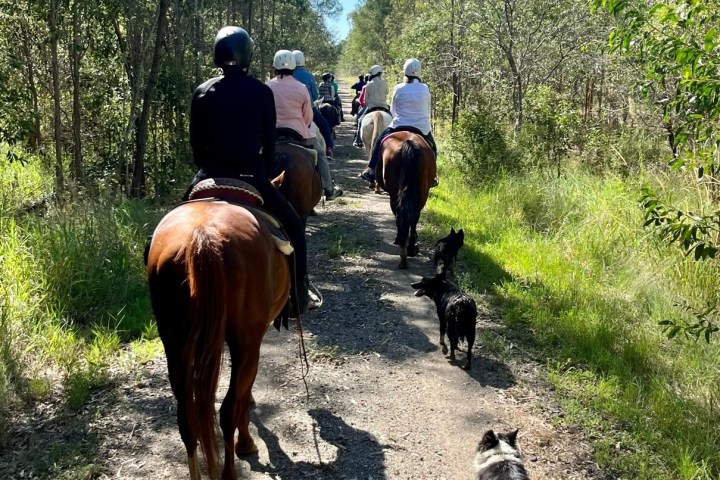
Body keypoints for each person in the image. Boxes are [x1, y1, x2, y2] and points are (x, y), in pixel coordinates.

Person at [183, 26, 318, 314]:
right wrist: (264, 171)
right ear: (247, 56)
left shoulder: (202, 91)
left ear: (217, 55)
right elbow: (269, 145)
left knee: (161, 231)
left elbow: (195, 144)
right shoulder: (260, 91)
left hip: (207, 175)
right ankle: (298, 292)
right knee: (293, 226)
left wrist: (206, 171)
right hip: (251, 177)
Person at [266, 51, 343, 201]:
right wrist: (304, 125)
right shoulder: (301, 87)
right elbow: (308, 116)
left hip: (272, 134)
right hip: (298, 132)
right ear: (293, 67)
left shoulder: (267, 86)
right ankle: (328, 188)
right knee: (320, 154)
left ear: (275, 67)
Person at [359, 58, 438, 186]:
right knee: (433, 148)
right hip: (421, 127)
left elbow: (393, 110)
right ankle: (433, 176)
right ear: (419, 72)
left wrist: (400, 117)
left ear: (405, 72)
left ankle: (371, 170)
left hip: (399, 125)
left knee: (379, 141)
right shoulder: (424, 88)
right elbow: (427, 109)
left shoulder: (398, 88)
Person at [291, 50, 335, 157]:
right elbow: (315, 96)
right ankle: (329, 148)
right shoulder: (309, 76)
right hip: (308, 109)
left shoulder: (287, 75)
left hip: (290, 110)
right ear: (303, 61)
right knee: (324, 125)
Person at [353, 65, 389, 147]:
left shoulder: (369, 84)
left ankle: (358, 140)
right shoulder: (384, 82)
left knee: (360, 121)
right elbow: (387, 92)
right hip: (384, 106)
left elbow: (366, 99)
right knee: (393, 121)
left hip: (371, 107)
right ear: (379, 73)